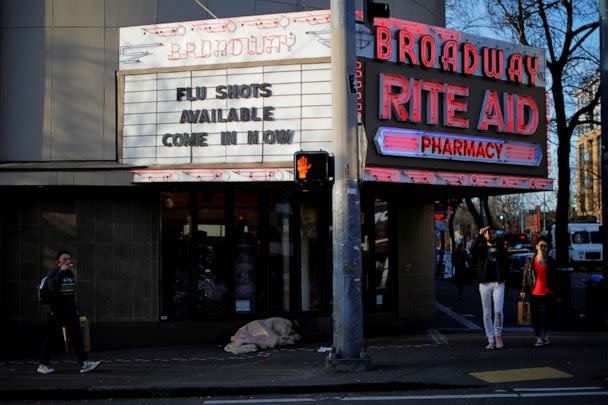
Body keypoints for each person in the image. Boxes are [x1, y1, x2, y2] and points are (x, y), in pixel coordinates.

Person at [37, 250, 101, 374]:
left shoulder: (70, 274)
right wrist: (61, 272)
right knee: (51, 338)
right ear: (58, 263)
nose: (68, 261)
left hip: (70, 312)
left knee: (77, 337)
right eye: (64, 259)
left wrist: (75, 310)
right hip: (56, 313)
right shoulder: (54, 274)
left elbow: (70, 295)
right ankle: (43, 365)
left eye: (69, 259)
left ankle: (84, 364)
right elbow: (52, 287)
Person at [472, 226, 509, 350]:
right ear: (485, 234)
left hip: (498, 283)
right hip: (484, 284)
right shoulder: (481, 247)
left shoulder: (501, 247)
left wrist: (504, 276)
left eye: (494, 233)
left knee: (498, 311)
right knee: (487, 313)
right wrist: (479, 235)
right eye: (489, 233)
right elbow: (472, 249)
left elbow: (506, 260)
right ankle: (491, 339)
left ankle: (498, 336)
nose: (492, 235)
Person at [520, 237, 556, 347]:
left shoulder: (550, 261)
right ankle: (538, 337)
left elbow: (555, 277)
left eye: (545, 246)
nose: (543, 248)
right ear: (536, 246)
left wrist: (555, 290)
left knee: (547, 315)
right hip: (534, 292)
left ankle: (546, 335)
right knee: (535, 317)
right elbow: (526, 275)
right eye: (541, 245)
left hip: (547, 292)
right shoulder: (530, 260)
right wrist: (523, 289)